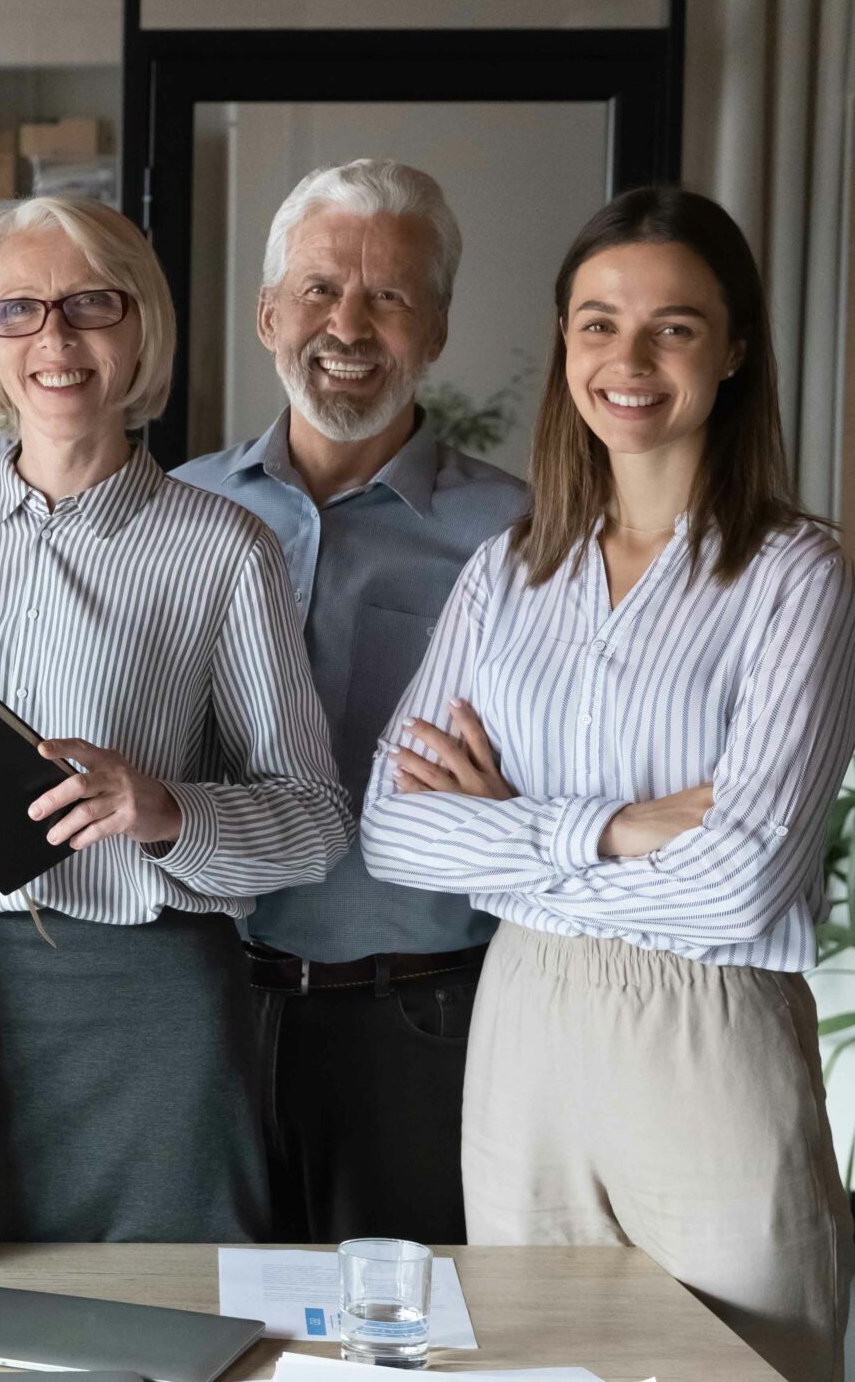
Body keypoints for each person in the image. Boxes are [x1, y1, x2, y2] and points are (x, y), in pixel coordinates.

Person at [361, 185, 855, 1382]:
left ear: (733, 349)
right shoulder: (506, 572)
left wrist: (509, 845)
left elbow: (740, 890)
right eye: (597, 322)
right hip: (521, 1027)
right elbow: (390, 833)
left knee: (746, 1367)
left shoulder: (800, 575)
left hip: (708, 1038)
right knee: (529, 1368)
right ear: (565, 343)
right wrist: (625, 830)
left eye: (673, 326)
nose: (627, 359)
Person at [0, 195, 351, 1244]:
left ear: (141, 333)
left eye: (92, 304)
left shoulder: (225, 548)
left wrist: (162, 806)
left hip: (158, 998)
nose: (56, 338)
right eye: (18, 311)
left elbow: (315, 819)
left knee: (172, 1322)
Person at [171, 159, 527, 1245]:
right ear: (269, 311)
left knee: (405, 1345)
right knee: (202, 1335)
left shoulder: (521, 539)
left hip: (419, 1026)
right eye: (320, 290)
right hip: (200, 1010)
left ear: (437, 330)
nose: (348, 324)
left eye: (389, 295)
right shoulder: (176, 513)